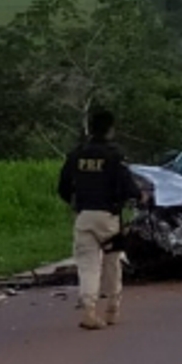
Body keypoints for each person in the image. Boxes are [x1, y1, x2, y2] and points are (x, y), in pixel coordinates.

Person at [57, 110, 143, 330]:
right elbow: (128, 187)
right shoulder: (115, 156)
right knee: (112, 263)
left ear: (90, 128)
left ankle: (89, 310)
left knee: (88, 266)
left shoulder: (76, 155)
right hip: (109, 219)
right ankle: (112, 310)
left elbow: (63, 187)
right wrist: (140, 196)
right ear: (110, 129)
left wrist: (75, 204)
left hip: (84, 217)